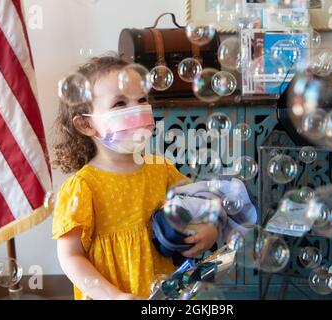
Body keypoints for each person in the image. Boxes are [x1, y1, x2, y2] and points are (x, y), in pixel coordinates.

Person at [51, 54, 218, 300]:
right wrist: (112, 296)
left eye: (141, 99)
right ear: (86, 126)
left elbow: (198, 208)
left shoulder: (162, 170)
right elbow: (70, 256)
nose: (137, 109)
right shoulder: (84, 186)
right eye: (119, 104)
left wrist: (209, 229)